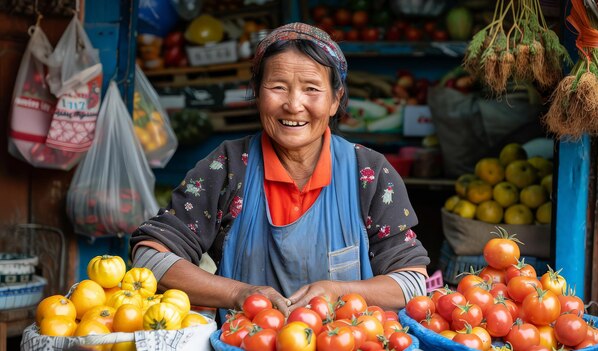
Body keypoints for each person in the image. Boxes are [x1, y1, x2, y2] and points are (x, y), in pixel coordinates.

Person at [130, 22, 430, 319]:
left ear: (335, 100)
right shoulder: (228, 167)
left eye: (311, 89)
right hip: (244, 340)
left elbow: (412, 283)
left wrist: (337, 291)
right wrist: (239, 294)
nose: (293, 104)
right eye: (277, 87)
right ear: (258, 94)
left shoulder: (369, 173)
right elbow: (149, 257)